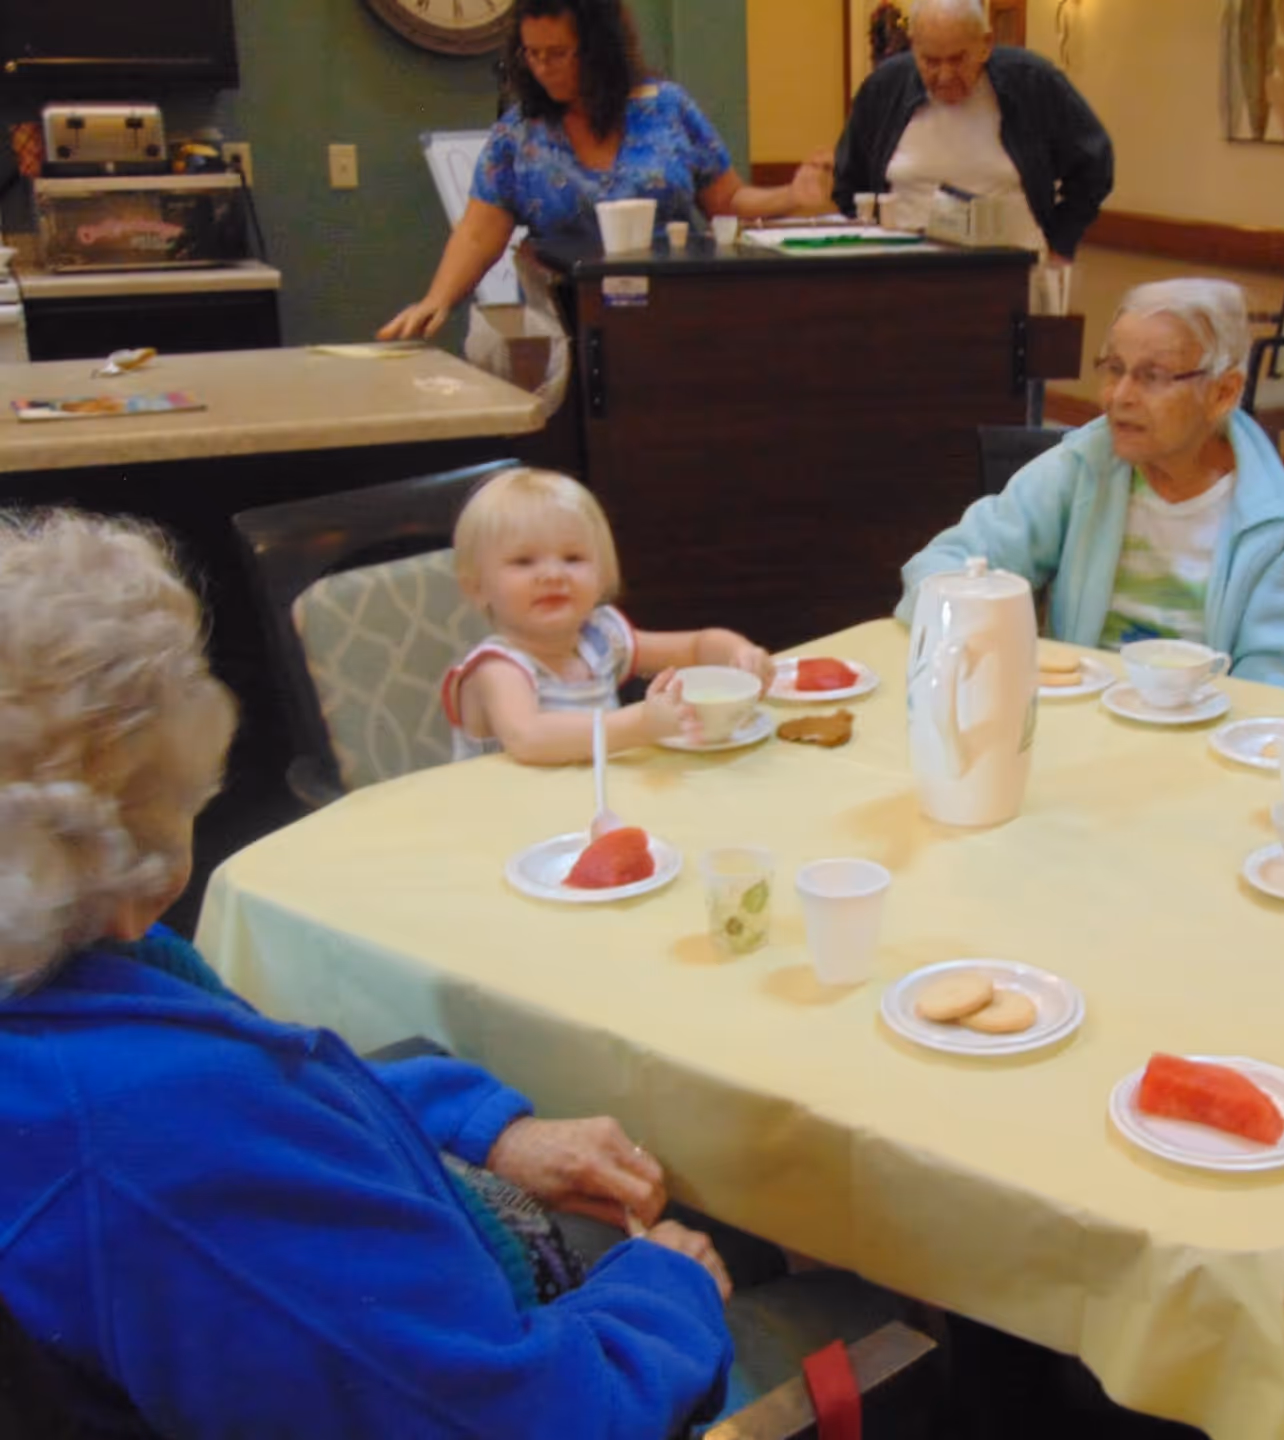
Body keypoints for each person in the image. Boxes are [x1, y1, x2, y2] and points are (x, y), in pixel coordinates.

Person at [0, 510, 846, 1435]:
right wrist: (665, 1290)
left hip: (434, 1270)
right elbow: (529, 1418)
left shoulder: (72, 975)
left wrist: (488, 1128)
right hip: (571, 1376)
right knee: (823, 1276)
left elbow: (295, 1086)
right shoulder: (151, 1146)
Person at [897, 278, 1284, 695]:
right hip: (1080, 719)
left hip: (1205, 737)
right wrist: (990, 639)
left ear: (1222, 393)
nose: (1119, 396)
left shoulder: (1280, 518)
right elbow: (945, 566)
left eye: (1153, 376)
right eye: (1114, 369)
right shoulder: (1081, 468)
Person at [380, 0, 832, 341]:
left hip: (676, 319)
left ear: (599, 49)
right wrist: (437, 300)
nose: (541, 68)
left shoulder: (668, 108)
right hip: (566, 327)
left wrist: (790, 197)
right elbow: (479, 233)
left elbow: (727, 201)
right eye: (530, 54)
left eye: (557, 54)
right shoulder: (517, 134)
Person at [443, 467, 773, 763]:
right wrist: (639, 725)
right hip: (509, 820)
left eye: (572, 558)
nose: (553, 574)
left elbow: (696, 647)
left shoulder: (601, 637)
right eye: (524, 562)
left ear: (602, 576)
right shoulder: (497, 667)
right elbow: (529, 738)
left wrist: (738, 654)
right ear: (477, 587)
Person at [833, 0, 1113, 303]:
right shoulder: (883, 88)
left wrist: (1061, 241)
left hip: (1014, 274)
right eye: (930, 61)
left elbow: (1095, 165)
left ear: (985, 44)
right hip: (906, 280)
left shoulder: (1032, 81)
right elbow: (849, 182)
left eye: (957, 59)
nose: (944, 75)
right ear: (914, 47)